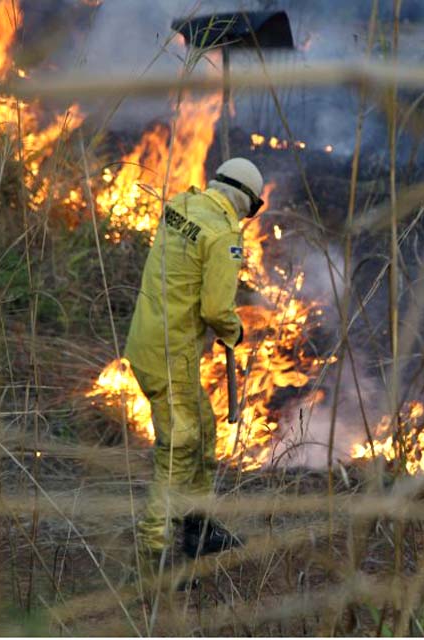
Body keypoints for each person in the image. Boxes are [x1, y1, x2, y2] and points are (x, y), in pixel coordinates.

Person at [123, 157, 265, 571]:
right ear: (246, 201)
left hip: (147, 342)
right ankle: (158, 551)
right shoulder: (224, 236)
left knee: (203, 427)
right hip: (171, 354)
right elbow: (217, 309)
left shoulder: (181, 206)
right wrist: (234, 331)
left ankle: (197, 526)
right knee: (180, 447)